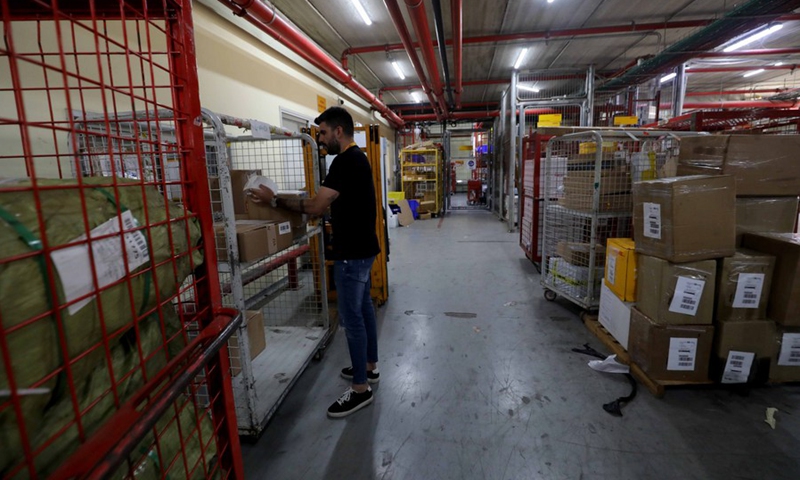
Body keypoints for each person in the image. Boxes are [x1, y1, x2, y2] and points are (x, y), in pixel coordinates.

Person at [247, 106, 381, 418]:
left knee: (352, 319)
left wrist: (275, 200)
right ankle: (370, 367)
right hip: (364, 249)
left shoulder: (345, 162)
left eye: (322, 133)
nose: (319, 140)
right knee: (363, 311)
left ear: (338, 131)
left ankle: (361, 390)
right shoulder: (357, 159)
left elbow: (316, 207)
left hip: (352, 255)